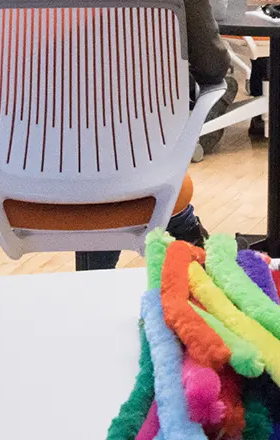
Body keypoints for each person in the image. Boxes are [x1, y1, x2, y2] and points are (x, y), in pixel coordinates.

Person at [72, 0, 228, 270]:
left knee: (100, 142)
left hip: (24, 154)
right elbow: (212, 65)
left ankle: (187, 233)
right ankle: (190, 236)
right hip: (137, 140)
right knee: (119, 148)